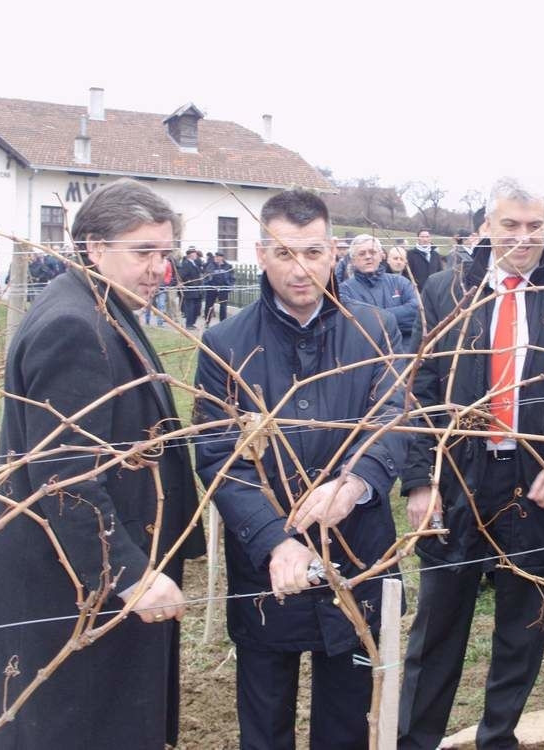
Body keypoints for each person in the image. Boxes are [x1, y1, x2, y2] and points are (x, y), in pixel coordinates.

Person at [0, 178, 206, 749]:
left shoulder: (100, 306)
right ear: (95, 248)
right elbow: (65, 478)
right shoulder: (75, 327)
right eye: (143, 252)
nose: (159, 269)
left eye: (164, 253)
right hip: (69, 588)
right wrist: (130, 577)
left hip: (90, 576)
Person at [398, 178, 544, 749]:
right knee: (438, 623)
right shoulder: (446, 291)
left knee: (523, 624)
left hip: (537, 482)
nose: (523, 238)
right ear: (487, 226)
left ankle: (498, 736)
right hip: (461, 478)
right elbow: (417, 389)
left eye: (535, 226)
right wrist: (422, 480)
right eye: (511, 226)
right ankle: (414, 739)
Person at [194, 190, 410, 749]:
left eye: (313, 253)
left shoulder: (375, 329)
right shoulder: (226, 344)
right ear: (262, 253)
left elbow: (392, 417)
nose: (300, 269)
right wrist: (276, 542)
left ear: (333, 251)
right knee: (265, 719)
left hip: (357, 548)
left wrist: (356, 482)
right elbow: (218, 453)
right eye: (285, 254)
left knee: (347, 715)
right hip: (267, 567)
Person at [339, 234, 420, 352]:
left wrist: (373, 317)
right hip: (364, 356)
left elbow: (416, 314)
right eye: (362, 254)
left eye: (372, 252)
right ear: (353, 260)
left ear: (381, 256)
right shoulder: (344, 290)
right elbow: (355, 328)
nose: (368, 257)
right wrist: (396, 316)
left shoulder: (401, 283)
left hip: (403, 354)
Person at [205, 249, 235, 324]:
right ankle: (207, 322)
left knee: (223, 306)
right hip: (212, 288)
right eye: (216, 257)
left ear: (222, 258)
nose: (217, 258)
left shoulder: (228, 266)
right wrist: (209, 285)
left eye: (219, 257)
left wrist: (230, 286)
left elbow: (232, 277)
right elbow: (206, 276)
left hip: (223, 288)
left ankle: (223, 322)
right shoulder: (211, 265)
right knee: (209, 306)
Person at [178, 246, 204, 329]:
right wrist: (188, 282)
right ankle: (189, 324)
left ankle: (192, 323)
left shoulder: (195, 263)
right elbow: (181, 275)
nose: (196, 255)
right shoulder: (186, 264)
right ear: (189, 255)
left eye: (195, 253)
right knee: (190, 308)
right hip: (190, 289)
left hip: (197, 289)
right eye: (194, 253)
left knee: (196, 307)